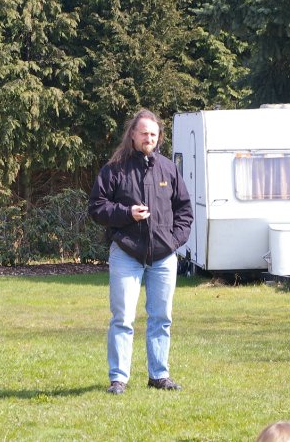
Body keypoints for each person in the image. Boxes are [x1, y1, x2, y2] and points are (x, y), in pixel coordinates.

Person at [88, 109, 193, 395]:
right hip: (127, 253)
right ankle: (118, 379)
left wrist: (173, 241)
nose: (149, 138)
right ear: (132, 135)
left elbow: (184, 210)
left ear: (159, 137)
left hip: (163, 256)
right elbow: (96, 207)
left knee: (161, 318)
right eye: (144, 133)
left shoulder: (168, 169)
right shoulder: (114, 169)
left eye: (153, 134)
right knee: (123, 318)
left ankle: (159, 375)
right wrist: (126, 213)